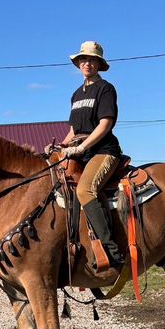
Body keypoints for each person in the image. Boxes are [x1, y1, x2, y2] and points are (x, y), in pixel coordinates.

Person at [50, 41, 124, 267]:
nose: (87, 63)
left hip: (103, 150)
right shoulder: (75, 94)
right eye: (83, 59)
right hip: (79, 152)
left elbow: (105, 124)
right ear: (78, 64)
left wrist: (82, 147)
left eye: (92, 59)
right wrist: (59, 148)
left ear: (99, 64)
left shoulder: (105, 89)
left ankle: (111, 250)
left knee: (85, 189)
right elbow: (74, 130)